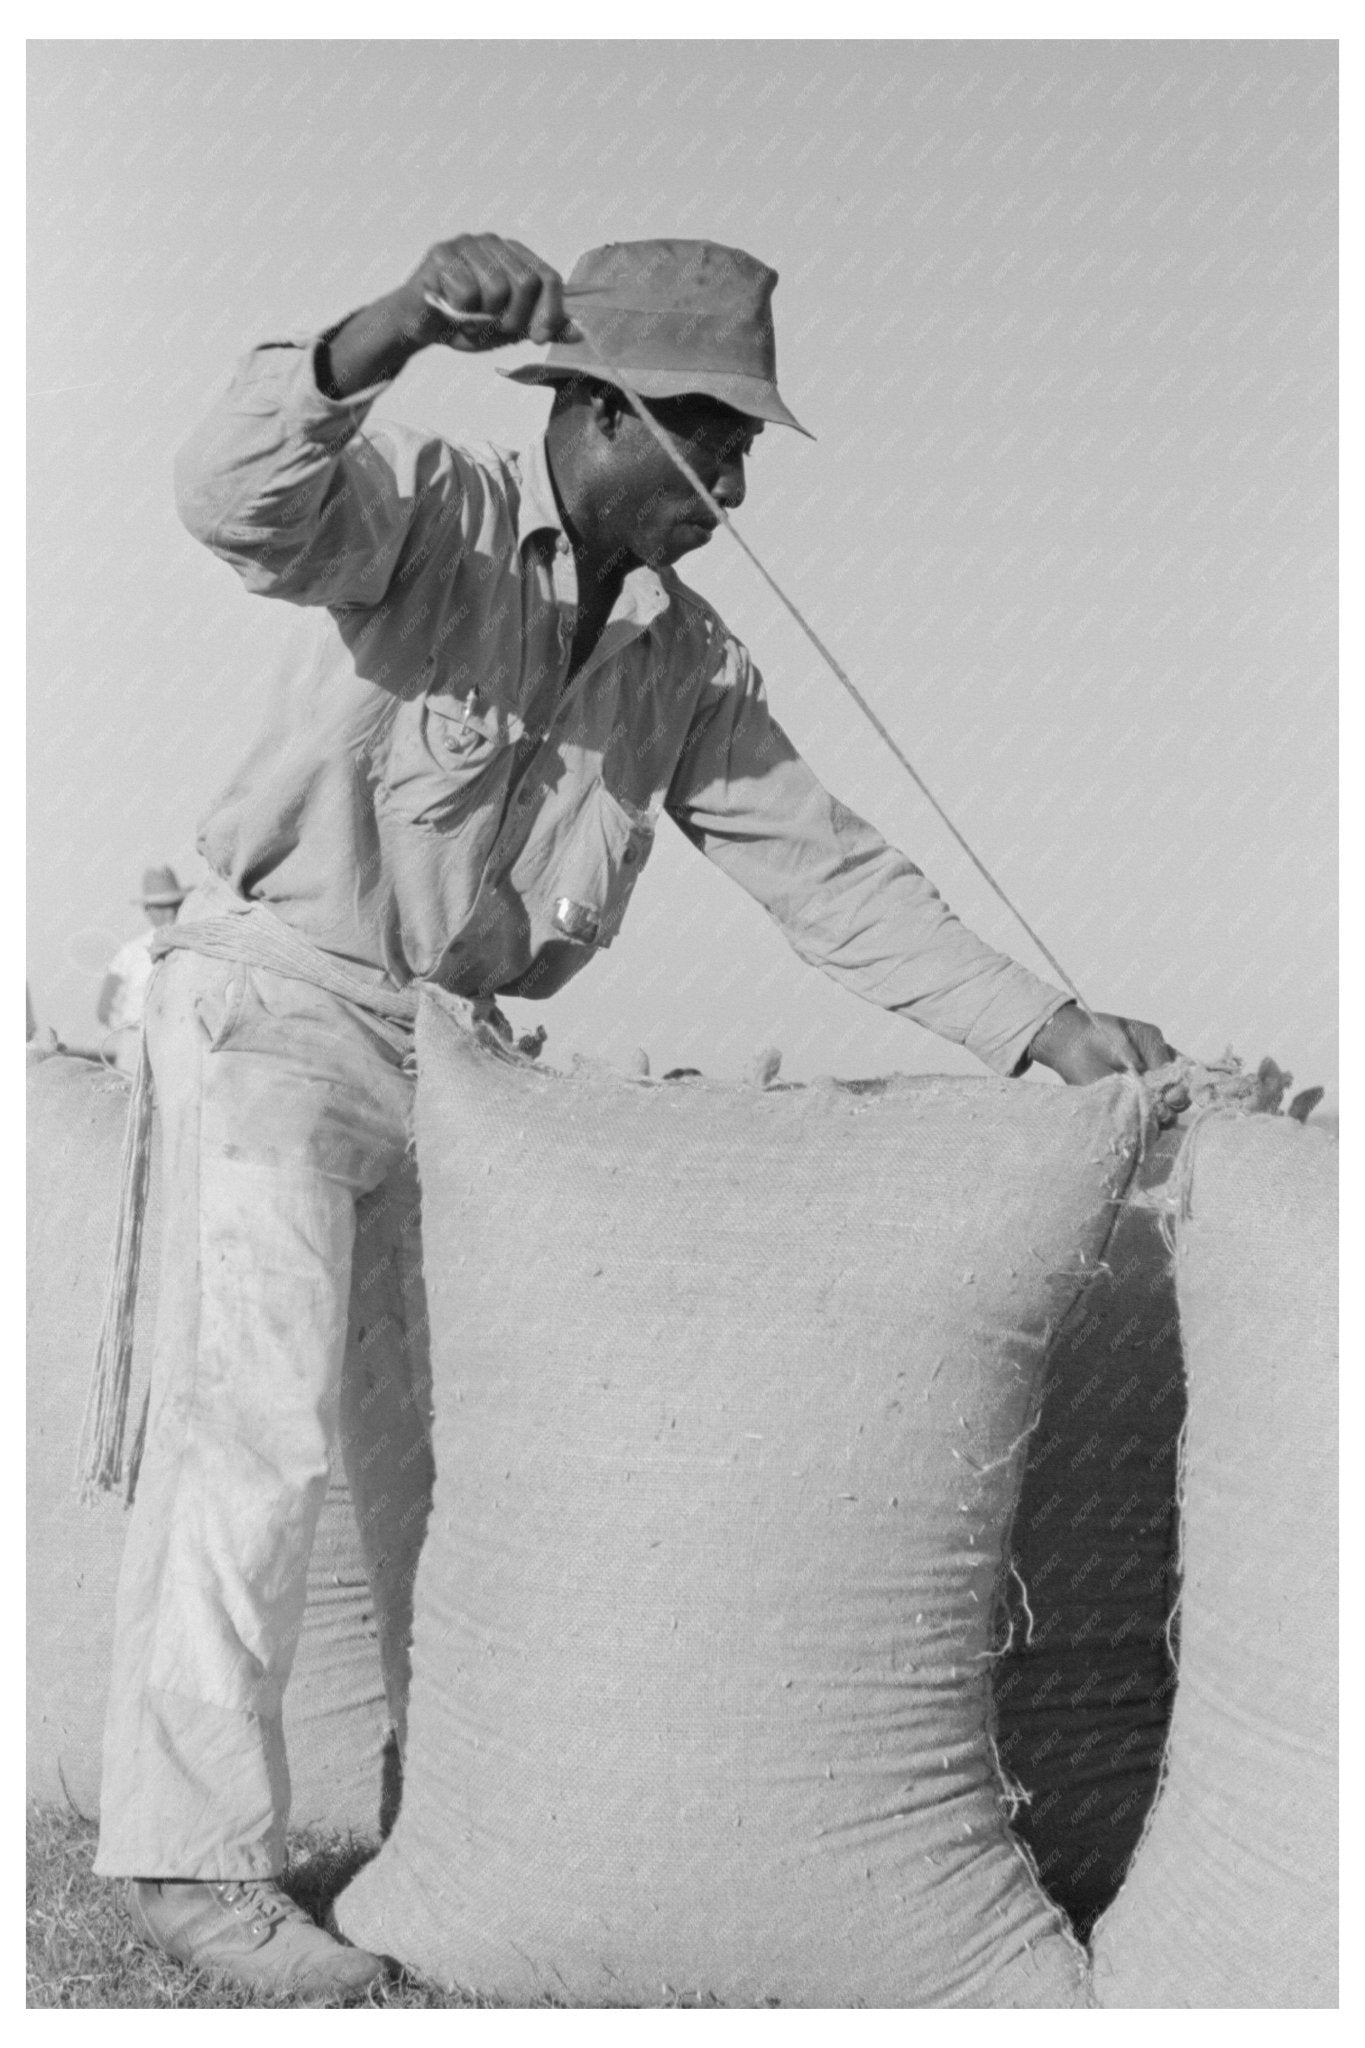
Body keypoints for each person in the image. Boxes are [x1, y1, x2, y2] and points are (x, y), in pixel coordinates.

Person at [96, 234, 1180, 1999]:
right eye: (701, 436)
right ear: (588, 414)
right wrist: (390, 327)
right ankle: (189, 1863)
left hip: (452, 1052)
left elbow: (830, 874)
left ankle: (437, 1822)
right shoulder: (429, 507)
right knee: (254, 1428)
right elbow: (233, 497)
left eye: (742, 448)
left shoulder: (686, 665)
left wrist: (1044, 1024)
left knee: (435, 1465)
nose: (729, 484)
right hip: (277, 1006)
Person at [96, 867, 187, 1070]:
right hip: (136, 1046)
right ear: (148, 910)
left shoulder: (195, 948)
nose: (171, 912)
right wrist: (134, 1030)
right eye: (161, 907)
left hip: (182, 1046)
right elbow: (104, 1008)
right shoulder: (130, 953)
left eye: (175, 905)